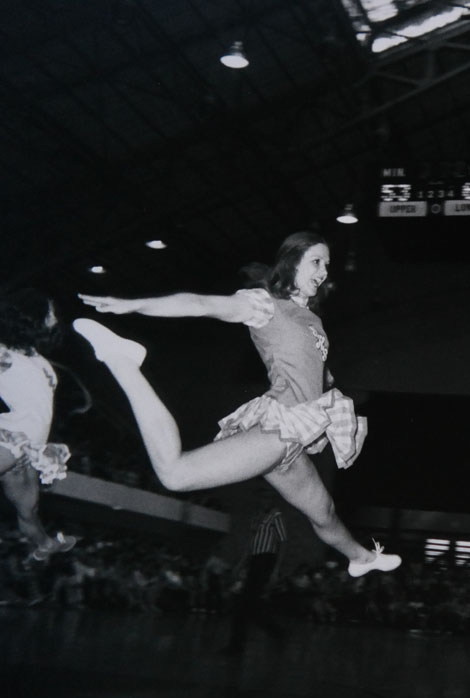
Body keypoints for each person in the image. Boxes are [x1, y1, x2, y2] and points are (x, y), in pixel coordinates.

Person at [74, 231, 400, 578]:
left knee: (323, 511)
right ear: (291, 262)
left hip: (292, 438)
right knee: (174, 474)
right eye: (316, 261)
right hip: (279, 427)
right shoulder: (264, 305)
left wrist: (330, 389)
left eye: (327, 265)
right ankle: (121, 360)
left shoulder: (313, 321)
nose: (323, 271)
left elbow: (310, 370)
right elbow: (201, 304)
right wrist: (135, 305)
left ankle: (361, 558)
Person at [0, 289, 76, 562]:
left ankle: (43, 544)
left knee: (28, 511)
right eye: (51, 312)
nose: (55, 317)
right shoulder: (4, 353)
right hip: (9, 438)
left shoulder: (39, 360)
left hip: (29, 449)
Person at [224, 504, 287, 654]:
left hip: (266, 560)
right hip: (255, 560)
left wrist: (276, 569)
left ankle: (237, 645)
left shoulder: (275, 514)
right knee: (249, 604)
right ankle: (276, 632)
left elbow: (283, 542)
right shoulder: (257, 516)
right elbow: (251, 544)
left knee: (245, 603)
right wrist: (240, 564)